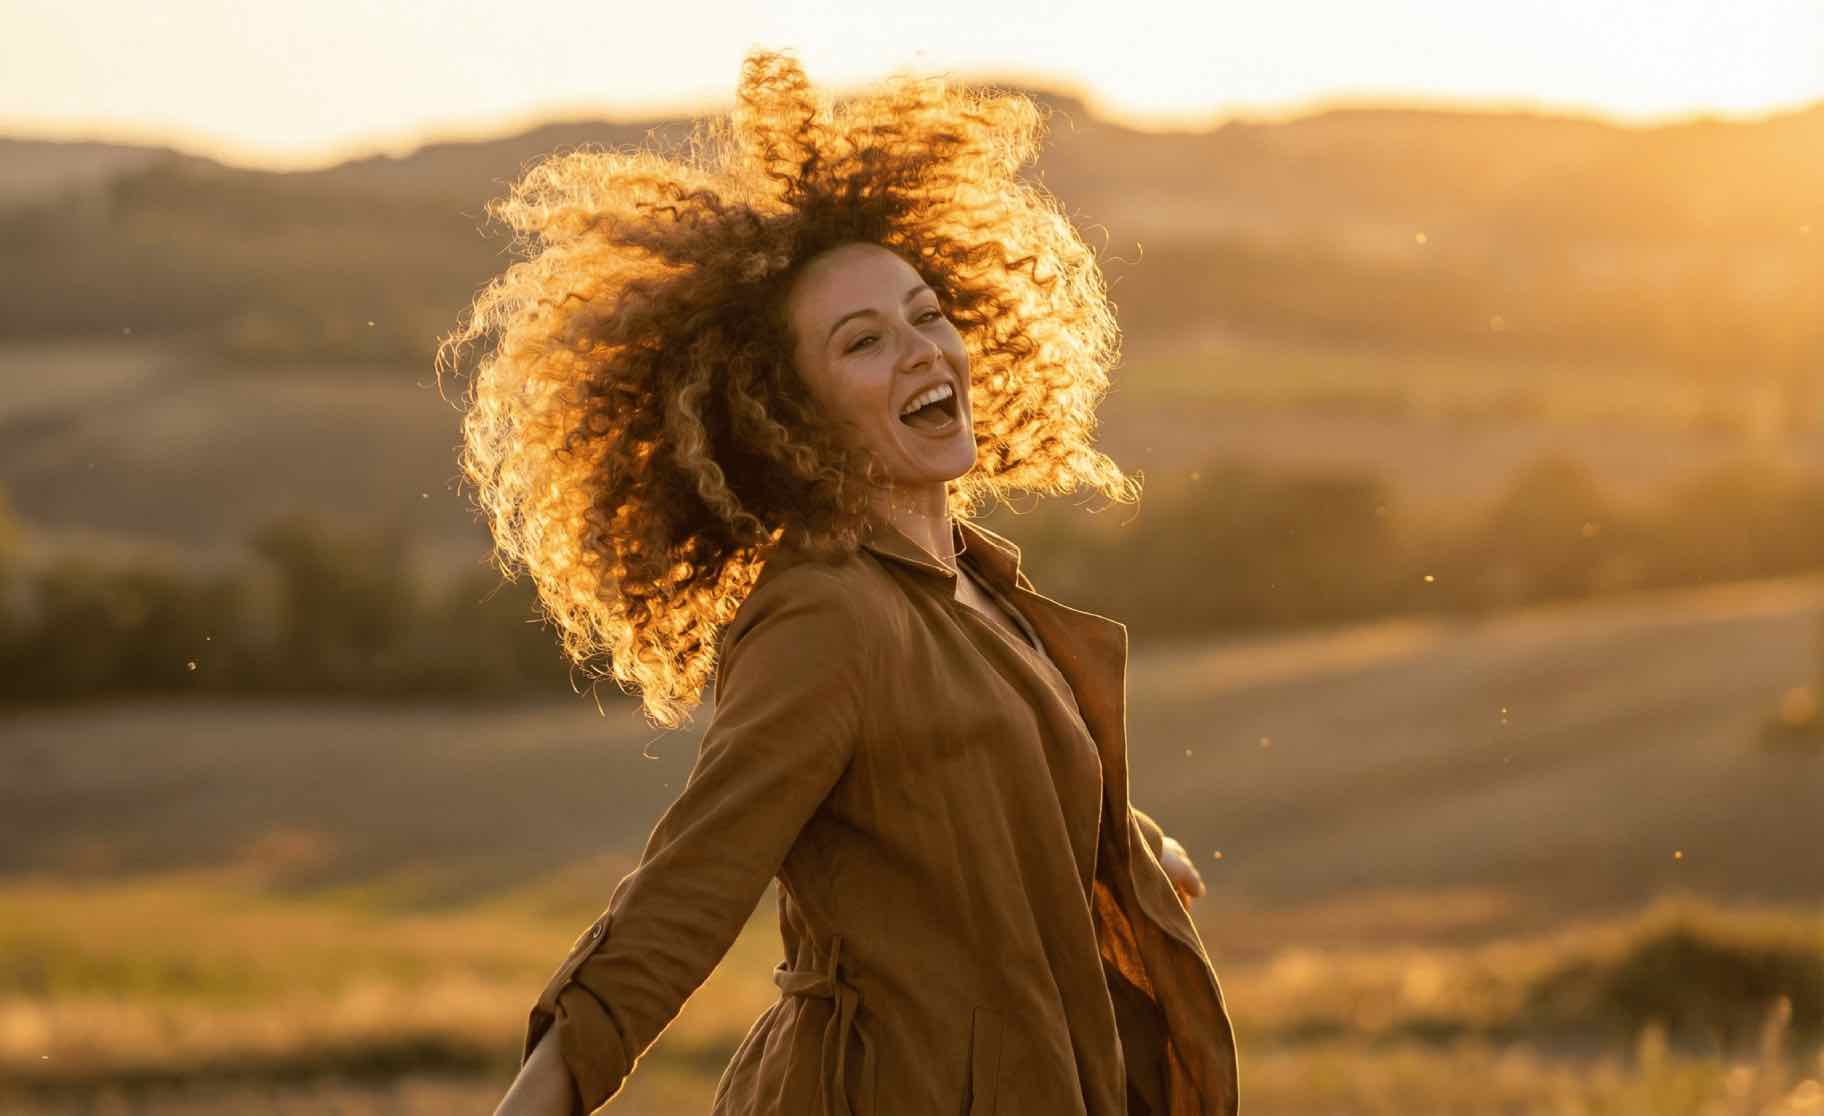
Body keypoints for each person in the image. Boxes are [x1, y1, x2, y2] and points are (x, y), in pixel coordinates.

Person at [441, 47, 1238, 1116]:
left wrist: (1136, 854)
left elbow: (964, 789)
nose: (920, 351)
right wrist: (541, 1097)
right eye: (863, 342)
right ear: (791, 413)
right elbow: (690, 884)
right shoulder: (825, 613)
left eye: (926, 313)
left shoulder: (975, 590)